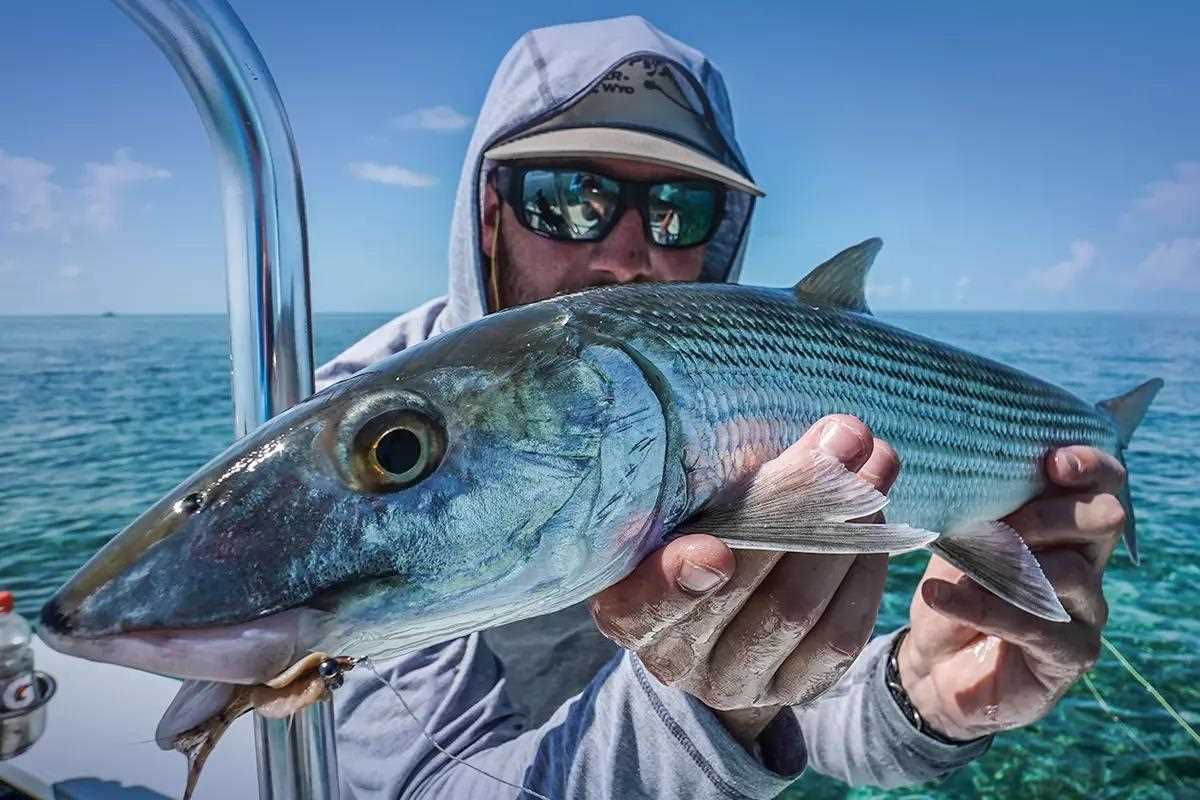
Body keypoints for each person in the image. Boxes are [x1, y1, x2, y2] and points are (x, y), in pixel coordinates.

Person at [320, 17, 1126, 798]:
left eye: (679, 209)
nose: (626, 257)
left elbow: (808, 721)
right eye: (569, 198)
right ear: (491, 214)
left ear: (723, 235)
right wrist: (709, 717)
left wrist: (926, 696)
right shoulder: (358, 452)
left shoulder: (753, 405)